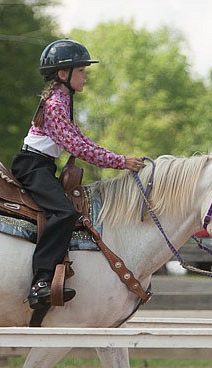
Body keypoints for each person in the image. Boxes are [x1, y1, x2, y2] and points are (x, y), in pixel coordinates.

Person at [12, 38, 145, 311]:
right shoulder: (56, 106)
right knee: (64, 213)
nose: (85, 77)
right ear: (63, 74)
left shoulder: (61, 101)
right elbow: (77, 147)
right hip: (33, 165)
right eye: (81, 71)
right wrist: (120, 162)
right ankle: (41, 282)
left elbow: (81, 140)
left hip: (42, 165)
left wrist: (118, 158)